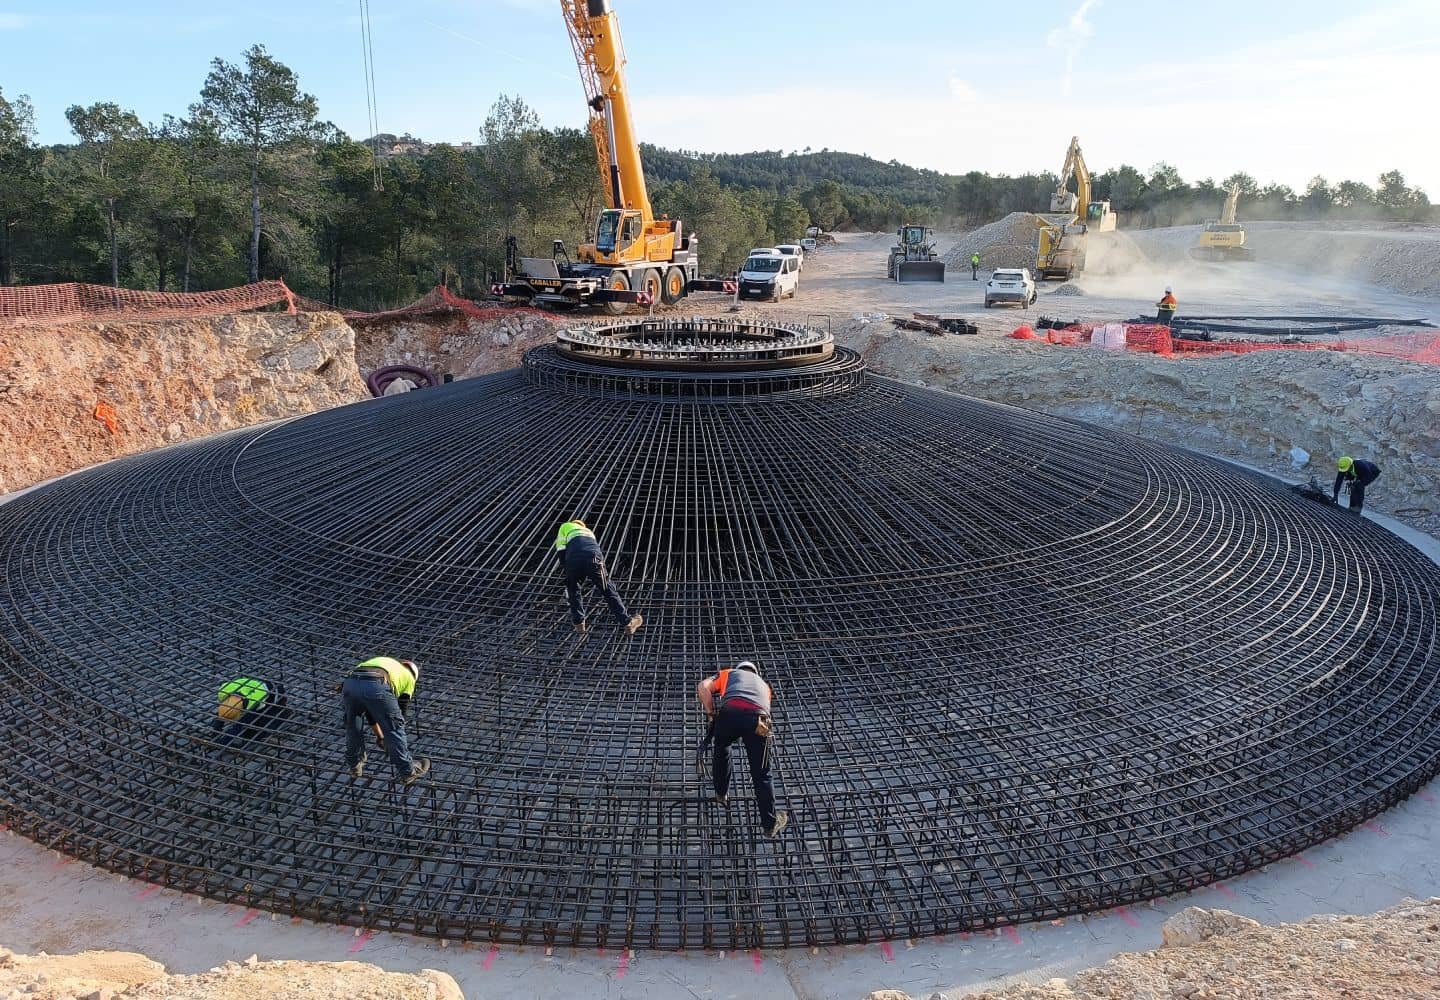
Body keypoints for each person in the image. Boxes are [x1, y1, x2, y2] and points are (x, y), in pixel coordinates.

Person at [696, 661, 788, 837]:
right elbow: (761, 708)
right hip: (759, 719)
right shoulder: (765, 686)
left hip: (729, 712)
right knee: (762, 773)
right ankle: (769, 825)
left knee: (722, 749)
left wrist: (711, 713)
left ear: (739, 669)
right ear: (755, 673)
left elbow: (703, 687)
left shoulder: (728, 673)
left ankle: (721, 793)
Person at [341, 656, 430, 784]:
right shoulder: (409, 678)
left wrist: (380, 736)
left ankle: (354, 765)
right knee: (395, 728)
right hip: (377, 683)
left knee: (353, 727)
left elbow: (370, 712)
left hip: (350, 683)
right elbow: (399, 715)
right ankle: (407, 771)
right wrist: (389, 738)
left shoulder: (385, 663)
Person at [554, 520, 643, 636]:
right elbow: (593, 549)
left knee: (573, 588)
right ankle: (627, 623)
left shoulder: (565, 526)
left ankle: (579, 624)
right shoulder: (589, 532)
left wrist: (568, 570)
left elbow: (561, 549)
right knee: (607, 589)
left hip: (573, 558)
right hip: (594, 558)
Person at [212, 676, 288, 748]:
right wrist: (215, 734)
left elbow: (238, 727)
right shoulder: (223, 692)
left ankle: (283, 716)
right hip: (253, 683)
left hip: (275, 691)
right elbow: (221, 714)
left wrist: (221, 743)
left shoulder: (253, 703)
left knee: (262, 723)